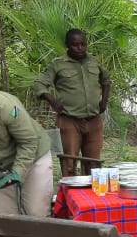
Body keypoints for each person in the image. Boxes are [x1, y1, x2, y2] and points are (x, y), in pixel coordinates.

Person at [32, 28, 111, 176]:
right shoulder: (58, 64)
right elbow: (39, 84)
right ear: (67, 45)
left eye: (83, 44)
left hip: (93, 121)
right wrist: (53, 102)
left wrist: (104, 102)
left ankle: (89, 198)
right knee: (69, 164)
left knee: (94, 166)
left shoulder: (94, 61)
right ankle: (69, 196)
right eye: (75, 45)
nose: (80, 48)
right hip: (69, 121)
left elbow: (106, 80)